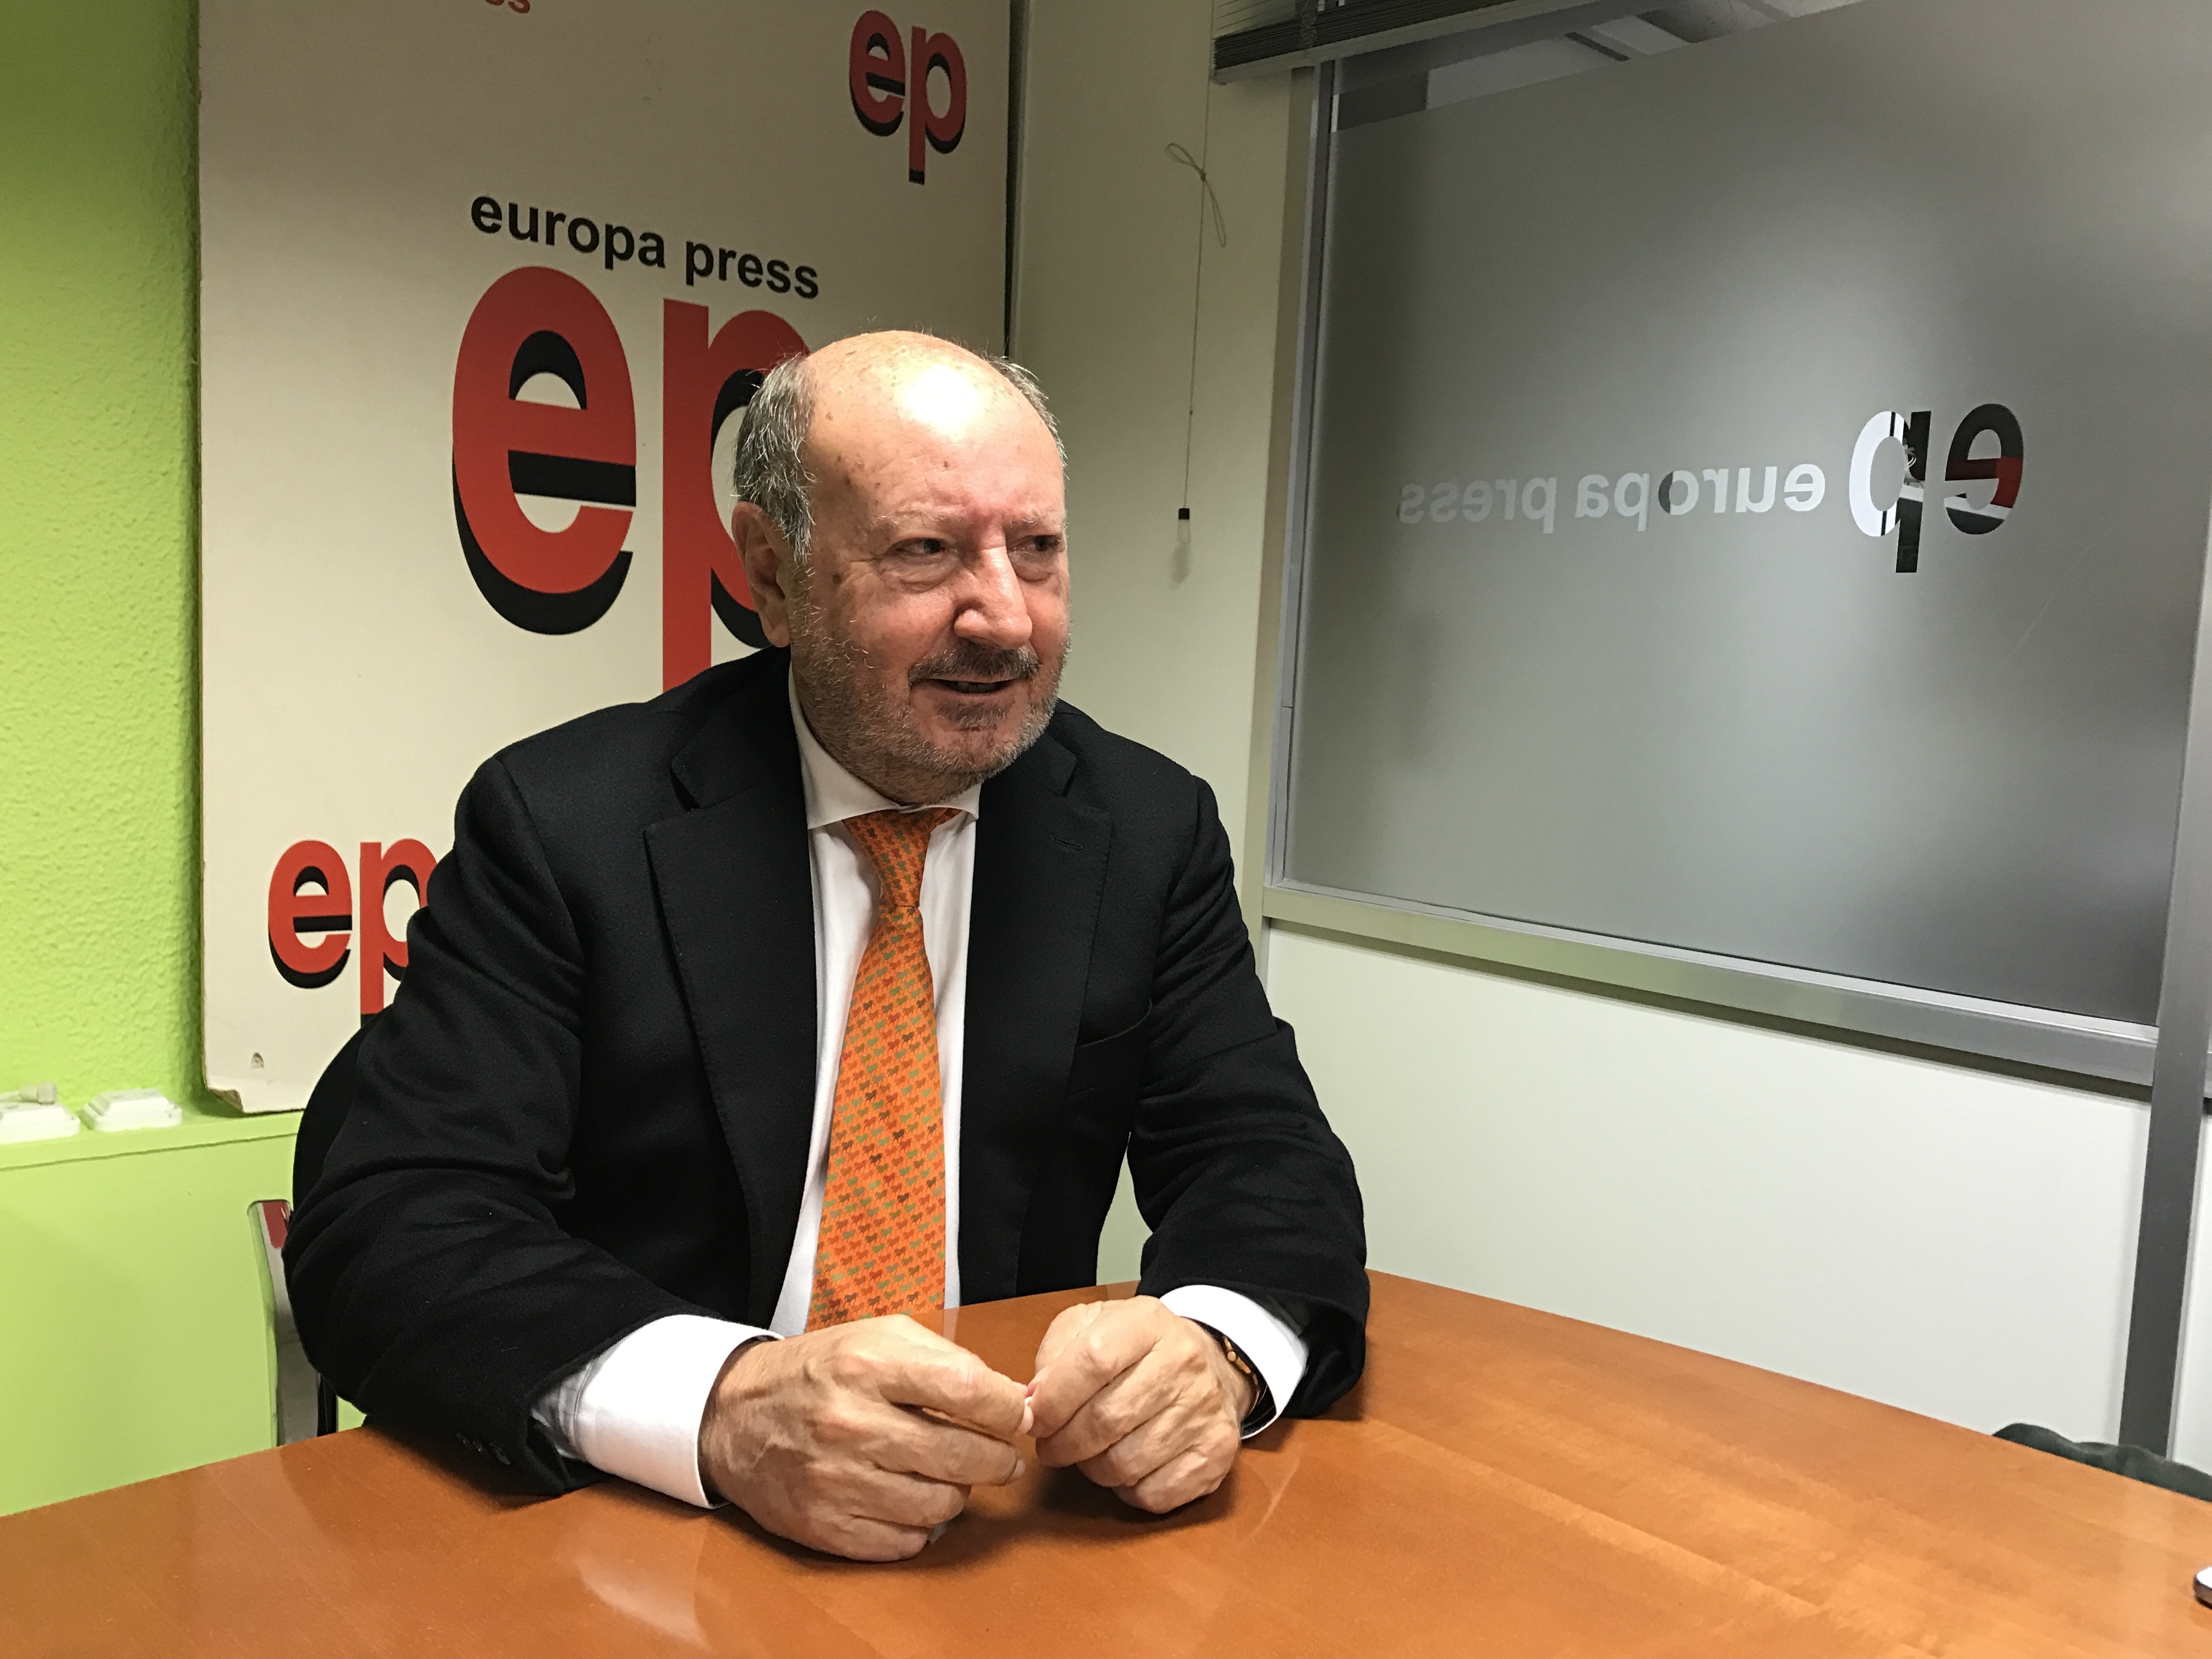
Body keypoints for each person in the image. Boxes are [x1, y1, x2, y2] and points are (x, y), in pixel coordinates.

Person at [286, 331, 1367, 1563]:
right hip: (648, 1541)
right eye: (927, 551)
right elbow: (395, 1220)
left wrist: (1217, 1349)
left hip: (999, 1530)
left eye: (1037, 548)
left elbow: (1263, 1157)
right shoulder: (567, 826)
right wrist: (727, 1405)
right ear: (774, 575)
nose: (1005, 617)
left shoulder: (1145, 829)